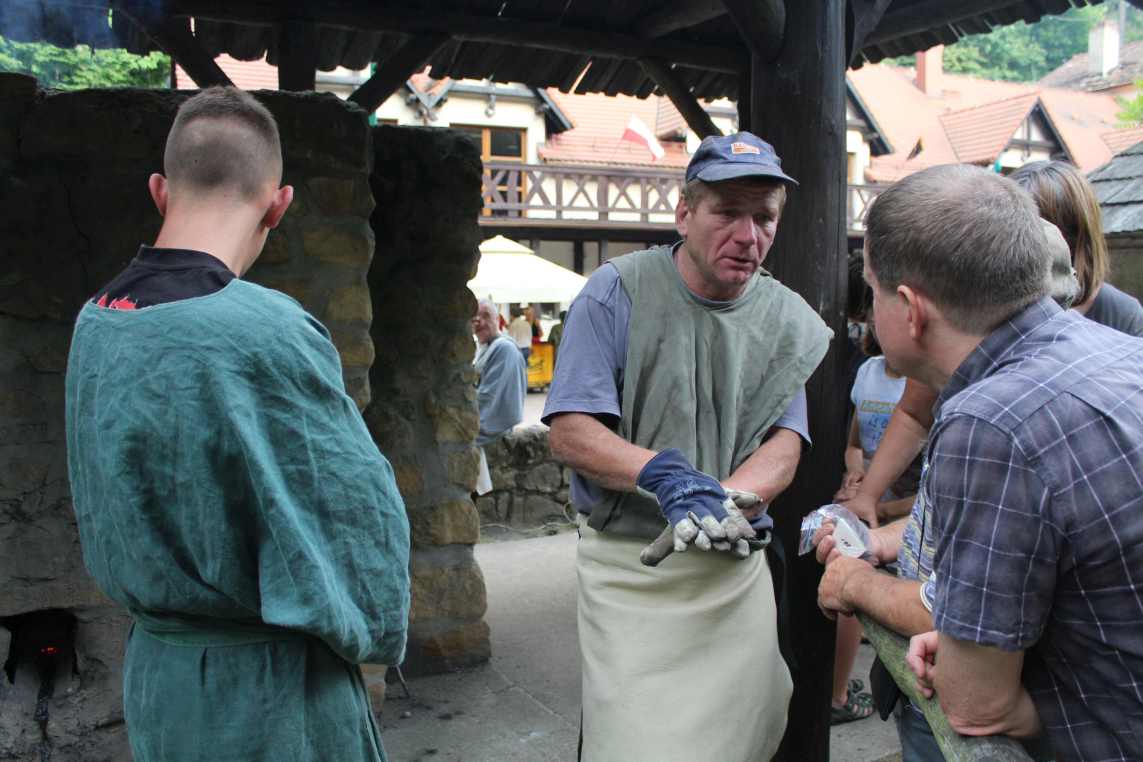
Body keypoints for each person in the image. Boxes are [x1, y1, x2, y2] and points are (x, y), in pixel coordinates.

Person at [65, 87, 411, 761]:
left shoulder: (96, 320)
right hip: (269, 697)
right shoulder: (266, 330)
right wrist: (373, 628)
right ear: (279, 205)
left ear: (160, 191)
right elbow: (356, 523)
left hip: (159, 683)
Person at [826, 164, 1143, 761]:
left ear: (910, 309)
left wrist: (859, 583)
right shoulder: (1124, 352)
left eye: (873, 290)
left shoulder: (989, 421)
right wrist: (963, 633)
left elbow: (976, 704)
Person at [543, 132, 831, 760]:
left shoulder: (787, 320)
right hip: (631, 570)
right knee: (635, 746)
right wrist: (664, 474)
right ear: (684, 213)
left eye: (764, 218)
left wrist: (716, 502)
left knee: (749, 730)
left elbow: (786, 443)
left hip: (731, 568)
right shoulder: (615, 293)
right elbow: (570, 430)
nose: (747, 235)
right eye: (727, 212)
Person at [471, 298, 527, 494]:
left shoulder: (504, 348)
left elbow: (488, 397)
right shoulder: (485, 348)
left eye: (486, 316)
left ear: (498, 319)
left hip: (495, 425)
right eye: (475, 317)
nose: (480, 321)